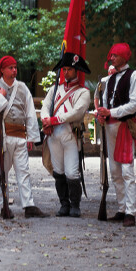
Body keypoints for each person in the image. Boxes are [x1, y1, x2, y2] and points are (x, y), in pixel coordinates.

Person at [0, 56, 47, 219]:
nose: (14, 70)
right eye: (10, 68)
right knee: (2, 173)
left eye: (15, 67)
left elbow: (30, 113)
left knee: (23, 171)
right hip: (1, 137)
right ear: (2, 70)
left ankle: (29, 205)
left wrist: (31, 137)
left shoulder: (23, 88)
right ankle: (3, 206)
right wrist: (1, 97)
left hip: (20, 136)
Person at [95, 43, 136, 227]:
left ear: (124, 57)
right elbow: (105, 102)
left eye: (114, 55)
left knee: (127, 171)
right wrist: (101, 114)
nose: (111, 58)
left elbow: (134, 104)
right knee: (115, 171)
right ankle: (122, 209)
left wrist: (110, 113)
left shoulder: (135, 76)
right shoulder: (111, 78)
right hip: (110, 128)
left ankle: (130, 212)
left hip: (124, 127)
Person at [41, 53, 91, 218]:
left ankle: (75, 205)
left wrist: (54, 120)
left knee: (72, 172)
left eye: (69, 69)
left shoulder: (83, 92)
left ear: (76, 70)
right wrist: (46, 121)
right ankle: (64, 204)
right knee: (58, 171)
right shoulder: (54, 89)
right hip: (53, 135)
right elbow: (45, 106)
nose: (66, 72)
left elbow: (76, 113)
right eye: (64, 69)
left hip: (71, 135)